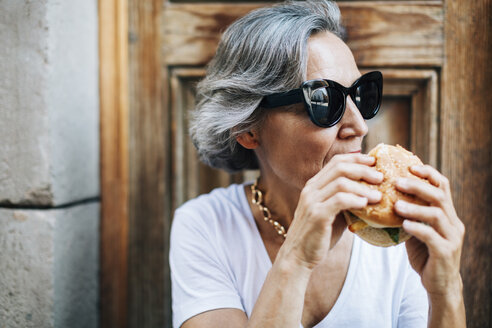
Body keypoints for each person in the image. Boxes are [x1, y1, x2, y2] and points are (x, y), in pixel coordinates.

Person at [169, 1, 466, 327]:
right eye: (324, 101)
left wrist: (447, 288)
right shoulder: (205, 226)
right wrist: (296, 258)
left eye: (361, 93)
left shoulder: (398, 231)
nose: (360, 126)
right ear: (247, 129)